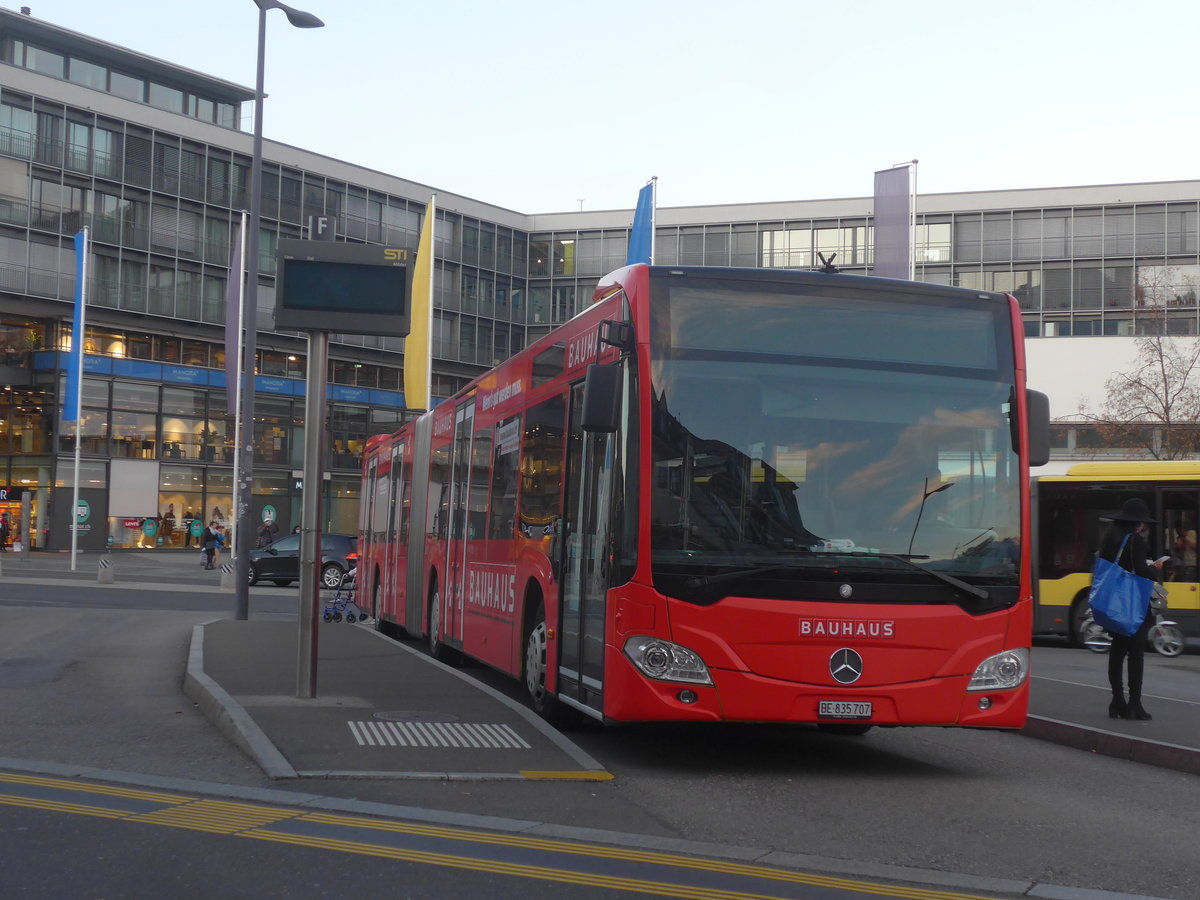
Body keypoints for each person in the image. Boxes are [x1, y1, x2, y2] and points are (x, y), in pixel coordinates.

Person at [1097, 497, 1164, 721]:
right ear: (1137, 523)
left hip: (1113, 605)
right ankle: (1135, 704)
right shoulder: (1134, 540)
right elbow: (1141, 574)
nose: (1143, 526)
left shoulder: (1109, 539)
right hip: (1133, 605)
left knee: (1117, 652)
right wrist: (1155, 569)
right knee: (1136, 655)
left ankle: (1117, 701)